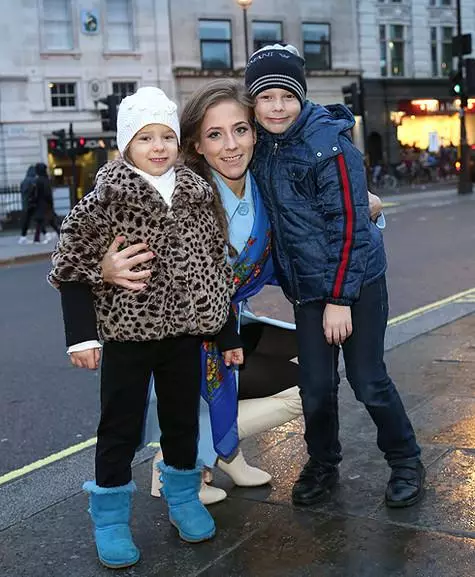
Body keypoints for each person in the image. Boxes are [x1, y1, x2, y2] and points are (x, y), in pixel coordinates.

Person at [101, 79, 386, 505]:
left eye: (241, 129)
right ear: (194, 144)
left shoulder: (265, 183)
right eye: (215, 134)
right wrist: (102, 267)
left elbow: (314, 228)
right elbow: (92, 230)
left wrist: (366, 207)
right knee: (209, 386)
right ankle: (181, 462)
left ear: (255, 131)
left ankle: (226, 449)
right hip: (183, 333)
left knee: (312, 376)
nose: (231, 146)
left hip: (231, 321)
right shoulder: (180, 195)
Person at [48, 86, 243, 569]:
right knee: (119, 426)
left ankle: (183, 499)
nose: (158, 147)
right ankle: (111, 520)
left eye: (166, 136)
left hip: (184, 336)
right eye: (144, 138)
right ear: (125, 146)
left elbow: (212, 269)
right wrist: (82, 335)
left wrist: (225, 332)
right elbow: (70, 264)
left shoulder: (195, 194)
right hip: (126, 338)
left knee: (180, 422)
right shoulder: (104, 198)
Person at [244, 44, 424, 509]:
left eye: (286, 95)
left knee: (367, 380)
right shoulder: (261, 147)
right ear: (254, 103)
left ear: (301, 97)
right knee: (316, 388)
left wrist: (340, 300)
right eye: (266, 98)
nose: (277, 106)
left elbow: (350, 227)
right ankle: (323, 462)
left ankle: (406, 460)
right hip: (307, 287)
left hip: (357, 281)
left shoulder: (330, 145)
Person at [32, 163, 60, 243]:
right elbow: (48, 193)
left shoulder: (38, 180)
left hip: (40, 203)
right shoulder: (46, 180)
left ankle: (36, 239)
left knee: (41, 221)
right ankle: (37, 238)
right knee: (50, 221)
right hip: (46, 203)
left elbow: (36, 193)